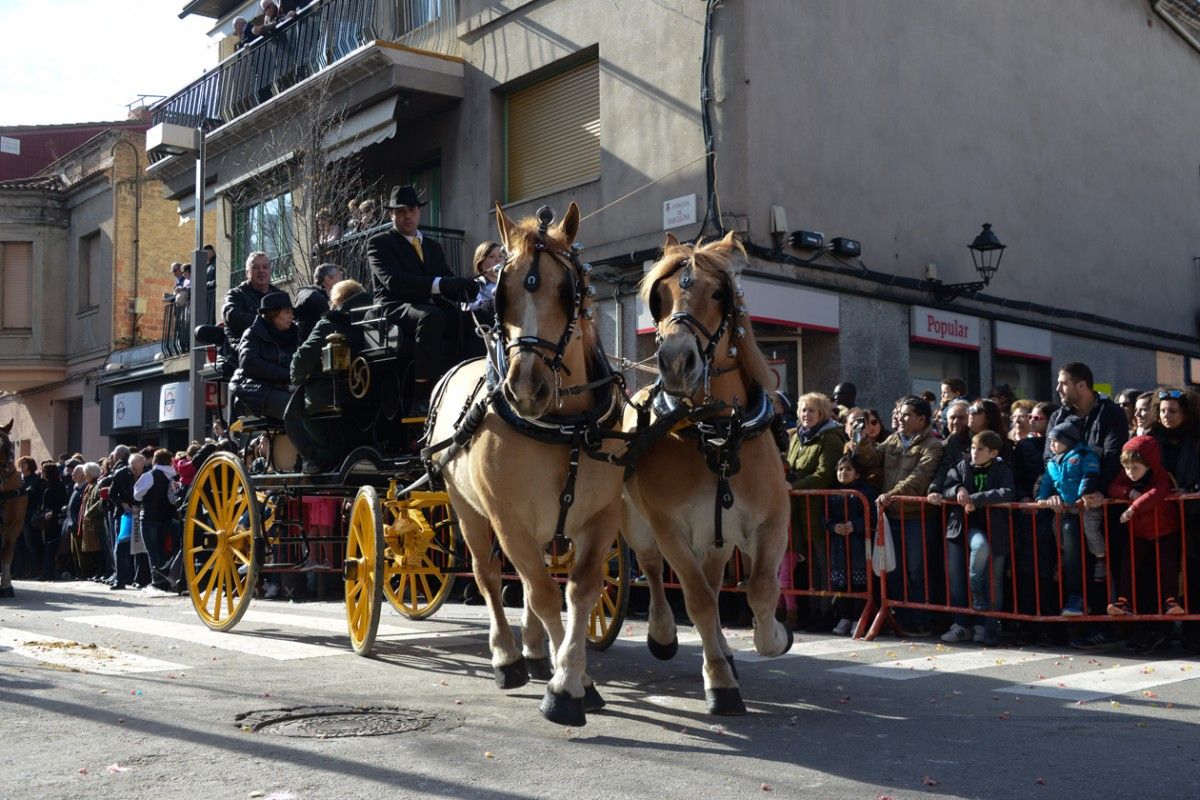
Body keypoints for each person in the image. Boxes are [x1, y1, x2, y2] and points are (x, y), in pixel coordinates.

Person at [367, 185, 478, 414]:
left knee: (479, 320)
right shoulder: (379, 243)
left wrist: (466, 286)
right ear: (391, 215)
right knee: (431, 317)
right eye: (400, 212)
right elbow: (394, 282)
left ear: (418, 211)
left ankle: (476, 383)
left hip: (429, 305)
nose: (407, 216)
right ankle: (423, 397)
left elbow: (445, 279)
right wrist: (441, 284)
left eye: (411, 210)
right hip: (394, 306)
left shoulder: (432, 246)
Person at [1043, 362, 1128, 632]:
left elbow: (1113, 455)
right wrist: (1054, 493)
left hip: (1102, 501)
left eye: (1063, 383)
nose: (1058, 388)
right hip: (1068, 502)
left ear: (1082, 385)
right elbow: (1049, 457)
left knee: (1104, 557)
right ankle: (1077, 609)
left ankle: (1107, 622)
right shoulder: (1058, 416)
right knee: (1072, 549)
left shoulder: (1111, 413)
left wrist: (1096, 490)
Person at [1106, 436, 1183, 655]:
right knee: (1128, 564)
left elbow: (1156, 493)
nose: (1130, 472)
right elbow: (1113, 487)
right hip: (1139, 532)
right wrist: (1128, 492)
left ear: (1149, 463)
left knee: (1167, 565)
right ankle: (1123, 601)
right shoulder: (1126, 478)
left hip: (1164, 530)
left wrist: (1133, 507)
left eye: (1135, 468)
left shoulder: (1161, 477)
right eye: (1127, 467)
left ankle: (1171, 601)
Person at [232, 292, 321, 474]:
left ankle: (308, 457)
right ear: (273, 314)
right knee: (292, 406)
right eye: (287, 312)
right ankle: (309, 458)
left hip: (285, 388)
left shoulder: (294, 334)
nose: (291, 316)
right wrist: (288, 377)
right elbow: (249, 363)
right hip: (252, 391)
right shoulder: (253, 333)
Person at [939, 430, 1015, 646]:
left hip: (996, 528)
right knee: (961, 574)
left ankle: (989, 627)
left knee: (995, 579)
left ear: (993, 453)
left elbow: (1008, 492)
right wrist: (958, 489)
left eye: (980, 449)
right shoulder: (962, 466)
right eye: (973, 448)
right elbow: (947, 487)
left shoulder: (1002, 469)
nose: (974, 452)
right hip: (964, 528)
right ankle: (962, 623)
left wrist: (976, 499)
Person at [877, 396, 944, 634]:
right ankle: (901, 619)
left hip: (917, 517)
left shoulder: (933, 445)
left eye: (906, 415)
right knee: (894, 571)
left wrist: (891, 495)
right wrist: (861, 443)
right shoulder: (893, 439)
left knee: (917, 571)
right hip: (892, 515)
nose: (900, 418)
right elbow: (872, 458)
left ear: (921, 419)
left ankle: (922, 620)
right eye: (899, 413)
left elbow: (919, 478)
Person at [291, 278, 374, 466]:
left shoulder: (328, 324)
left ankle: (318, 458)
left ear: (336, 302)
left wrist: (297, 379)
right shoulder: (374, 322)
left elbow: (300, 362)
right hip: (368, 397)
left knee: (296, 409)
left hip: (333, 397)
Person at [785, 392, 847, 629]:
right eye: (803, 410)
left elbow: (825, 473)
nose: (806, 415)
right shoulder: (796, 437)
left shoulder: (830, 438)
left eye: (811, 410)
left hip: (818, 509)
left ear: (822, 413)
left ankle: (825, 613)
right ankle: (809, 610)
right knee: (806, 563)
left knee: (822, 563)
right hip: (797, 510)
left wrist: (794, 486)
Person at [1150, 388, 1200, 652]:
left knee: (1193, 575)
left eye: (1173, 411)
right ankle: (1161, 631)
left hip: (1194, 518)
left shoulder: (1195, 439)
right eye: (1163, 411)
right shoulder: (1150, 439)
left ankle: (1193, 632)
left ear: (1185, 414)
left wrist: (1191, 491)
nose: (1167, 416)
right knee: (1162, 573)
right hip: (1160, 517)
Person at [1036, 420, 1100, 616]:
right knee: (1062, 532)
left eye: (1056, 441)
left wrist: (1084, 493)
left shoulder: (1082, 455)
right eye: (1051, 441)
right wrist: (1042, 498)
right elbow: (1047, 482)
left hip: (1084, 506)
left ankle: (1101, 556)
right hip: (1066, 509)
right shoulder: (1053, 463)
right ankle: (1064, 556)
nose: (1052, 445)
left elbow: (1089, 475)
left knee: (1091, 534)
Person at [825, 454, 877, 636]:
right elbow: (824, 516)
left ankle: (858, 618)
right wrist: (833, 526)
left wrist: (855, 525)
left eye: (848, 469)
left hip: (859, 545)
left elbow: (872, 516)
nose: (843, 472)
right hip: (839, 546)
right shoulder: (831, 492)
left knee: (859, 583)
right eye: (840, 469)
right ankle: (844, 617)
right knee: (841, 583)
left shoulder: (865, 492)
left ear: (857, 474)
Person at [133, 449, 179, 587]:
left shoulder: (150, 475)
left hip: (149, 517)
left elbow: (137, 495)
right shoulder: (174, 476)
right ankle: (166, 578)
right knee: (163, 549)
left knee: (152, 551)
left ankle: (157, 580)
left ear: (155, 460)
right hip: (167, 517)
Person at [223, 251, 279, 342]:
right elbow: (233, 316)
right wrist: (268, 323)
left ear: (270, 271)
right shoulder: (235, 295)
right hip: (242, 349)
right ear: (247, 273)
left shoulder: (279, 296)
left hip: (275, 350)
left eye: (265, 267)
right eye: (255, 267)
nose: (261, 270)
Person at [294, 263, 344, 342]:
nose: (343, 281)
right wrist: (328, 307)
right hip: (310, 346)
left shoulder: (338, 297)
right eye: (340, 278)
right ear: (328, 280)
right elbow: (307, 296)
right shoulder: (307, 292)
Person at [843, 407, 884, 491]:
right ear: (846, 427)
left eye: (860, 424)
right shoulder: (841, 447)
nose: (856, 427)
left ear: (868, 427)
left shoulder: (878, 449)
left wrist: (862, 441)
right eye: (852, 423)